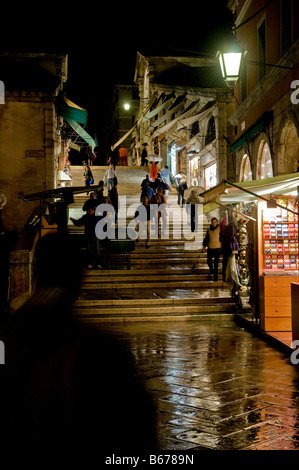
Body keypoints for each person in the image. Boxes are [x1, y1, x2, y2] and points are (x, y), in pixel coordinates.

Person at [202, 216, 226, 282]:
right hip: (210, 248)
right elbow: (206, 238)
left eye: (215, 222)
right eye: (213, 222)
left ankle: (216, 277)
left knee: (216, 263)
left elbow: (222, 238)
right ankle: (212, 270)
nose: (214, 223)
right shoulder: (209, 230)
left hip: (217, 248)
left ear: (217, 222)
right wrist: (204, 246)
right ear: (211, 223)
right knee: (208, 261)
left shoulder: (219, 229)